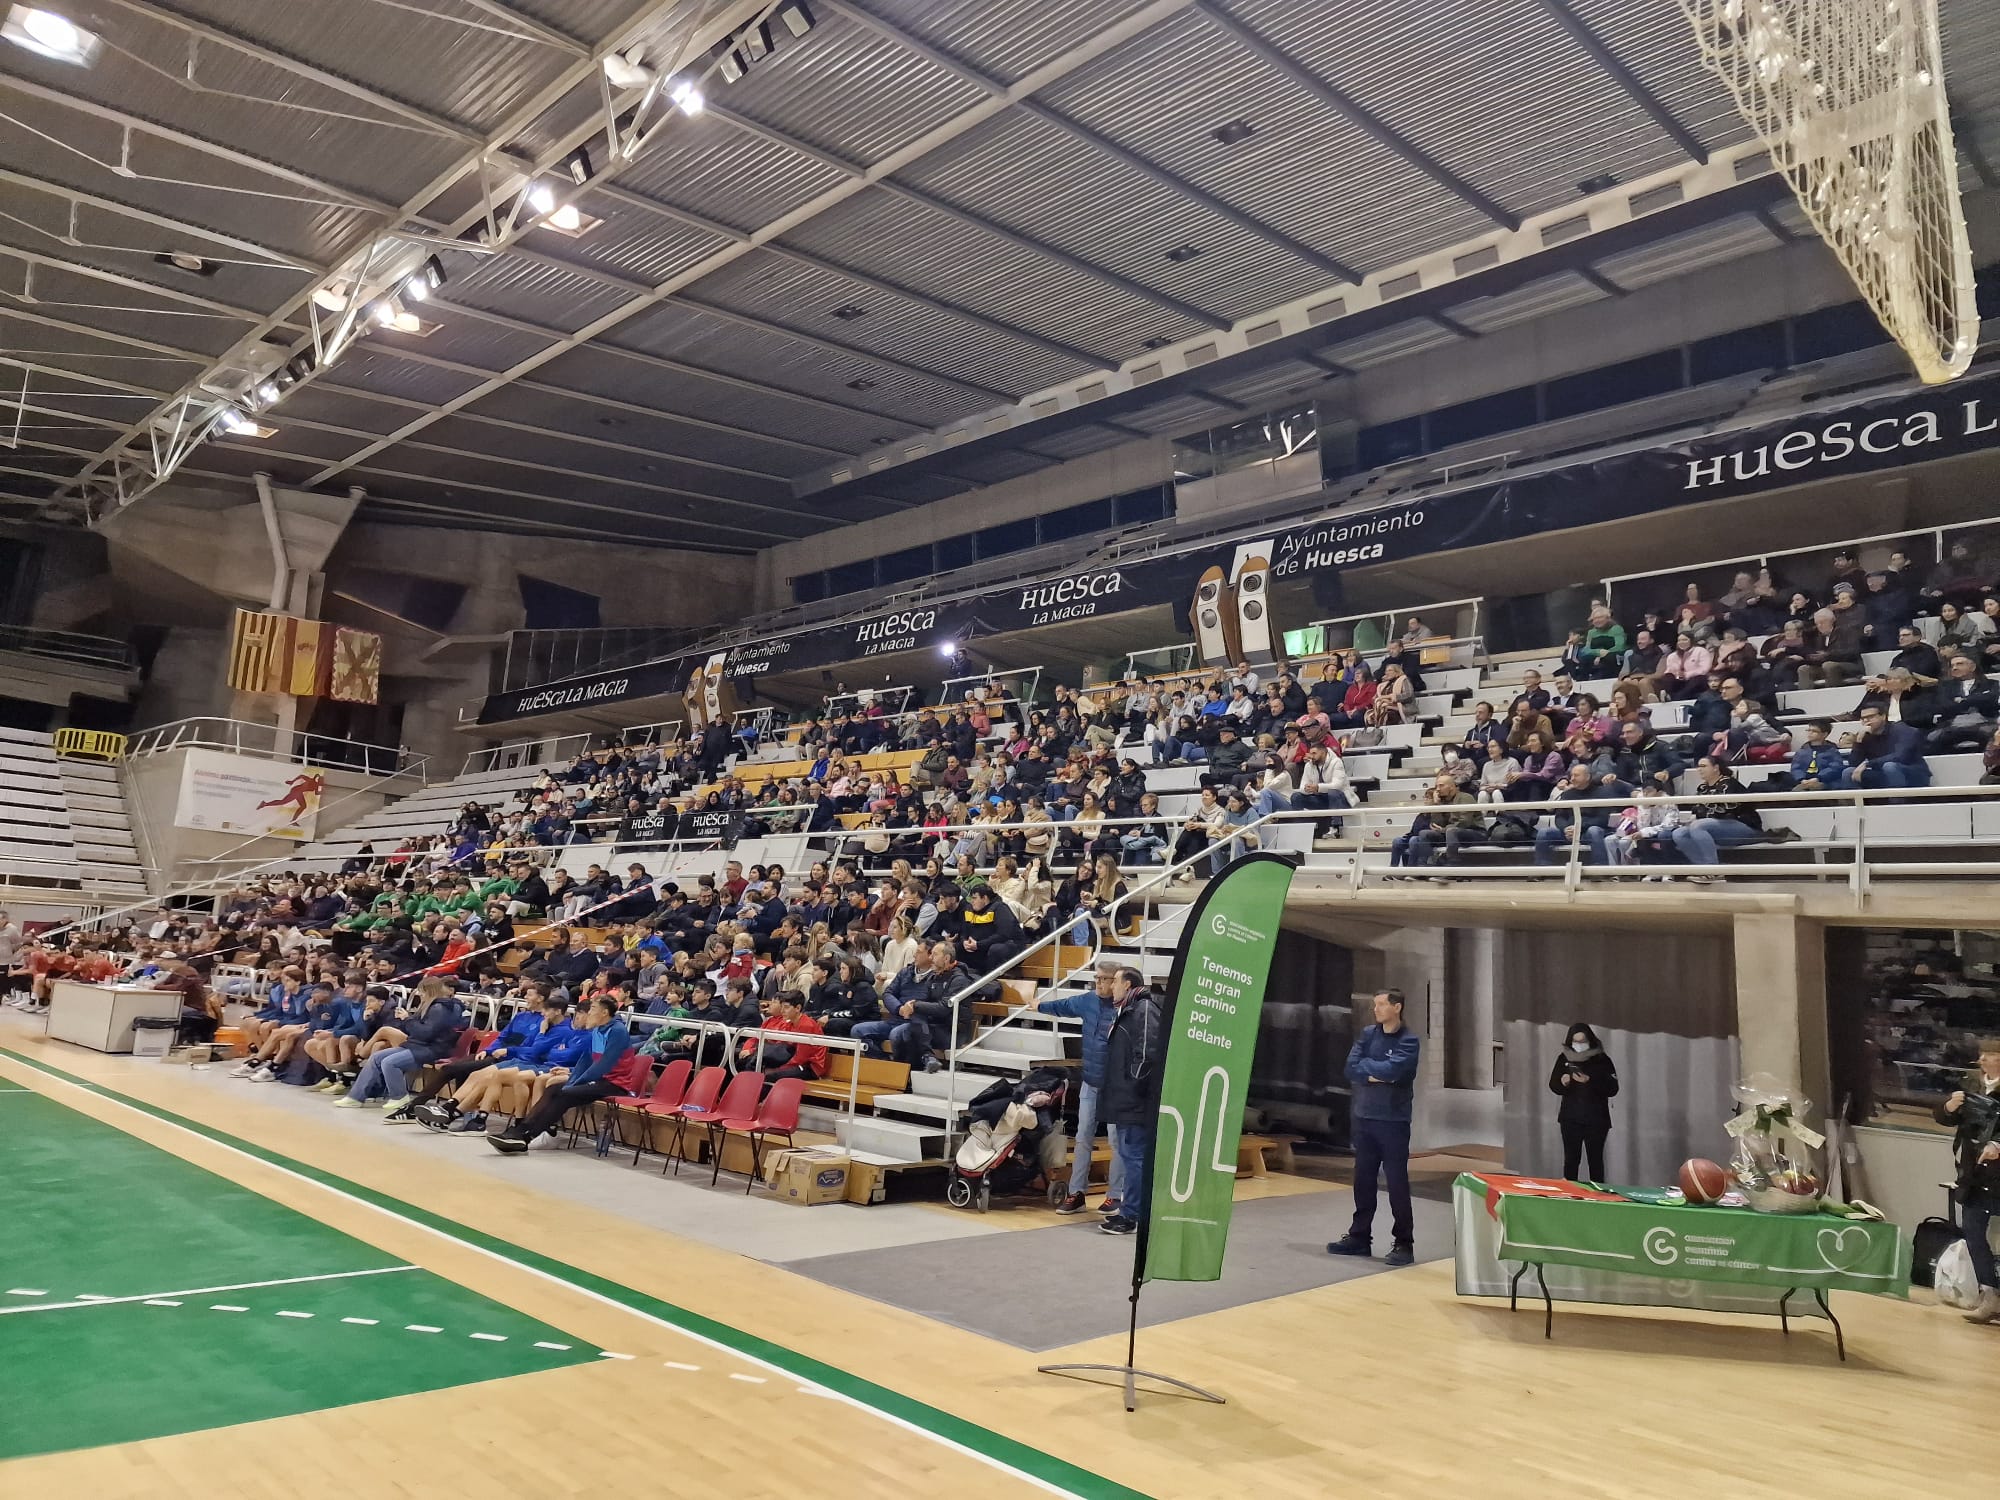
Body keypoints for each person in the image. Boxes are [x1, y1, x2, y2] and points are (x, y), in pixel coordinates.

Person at [1328, 989, 1420, 1266]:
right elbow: (1351, 1067)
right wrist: (1375, 1073)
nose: (1376, 1009)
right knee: (1363, 1180)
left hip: (1393, 1122)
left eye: (1381, 1004)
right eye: (1375, 1005)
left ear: (1397, 1007)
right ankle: (1359, 1237)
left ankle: (1404, 1243)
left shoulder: (1409, 1041)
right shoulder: (1368, 1034)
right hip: (1365, 1118)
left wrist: (1371, 1071)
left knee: (1396, 1184)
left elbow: (1394, 1071)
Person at [488, 994, 633, 1154]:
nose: (589, 1013)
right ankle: (520, 1131)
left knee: (564, 1093)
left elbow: (603, 1066)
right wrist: (572, 1077)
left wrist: (576, 1082)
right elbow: (586, 1060)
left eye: (592, 1009)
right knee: (554, 1089)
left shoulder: (617, 1031)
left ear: (604, 1012)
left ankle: (526, 1137)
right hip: (597, 1080)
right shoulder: (597, 1031)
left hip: (614, 1084)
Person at [1039, 961, 1124, 1216]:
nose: (1098, 983)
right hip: (1090, 1081)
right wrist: (1039, 1005)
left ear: (1117, 981)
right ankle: (1077, 1193)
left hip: (1116, 1087)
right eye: (1096, 978)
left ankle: (1115, 1196)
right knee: (1082, 1137)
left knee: (1116, 1142)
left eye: (1104, 979)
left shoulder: (1127, 1008)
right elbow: (1063, 1007)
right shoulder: (1088, 1001)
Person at [1934, 1039, 2000, 1322]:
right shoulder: (1972, 1085)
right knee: (1973, 1232)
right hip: (1974, 1172)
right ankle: (1989, 1293)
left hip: (1997, 1172)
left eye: (1992, 1055)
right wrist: (1949, 1106)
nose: (1984, 1059)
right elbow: (1946, 1118)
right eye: (1982, 1055)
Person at [1096, 965, 1164, 1238]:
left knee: (1134, 1157)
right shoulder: (1129, 1009)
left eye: (1115, 982)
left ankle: (1130, 1215)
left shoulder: (1144, 1009)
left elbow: (1148, 1052)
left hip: (1135, 1100)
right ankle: (1132, 1211)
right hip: (1125, 1098)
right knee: (1130, 1155)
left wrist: (1133, 1085)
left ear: (1128, 984)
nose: (1111, 987)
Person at [1548, 1023, 1619, 1181]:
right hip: (1570, 1119)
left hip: (1596, 1120)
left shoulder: (1602, 1060)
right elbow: (1553, 1085)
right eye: (1575, 1041)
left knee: (1596, 1161)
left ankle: (1598, 1196)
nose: (1579, 1045)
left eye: (1582, 1041)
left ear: (1590, 1040)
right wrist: (1563, 1082)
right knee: (1571, 1160)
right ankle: (1570, 1194)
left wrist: (1590, 1080)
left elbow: (1613, 1088)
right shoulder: (1563, 1058)